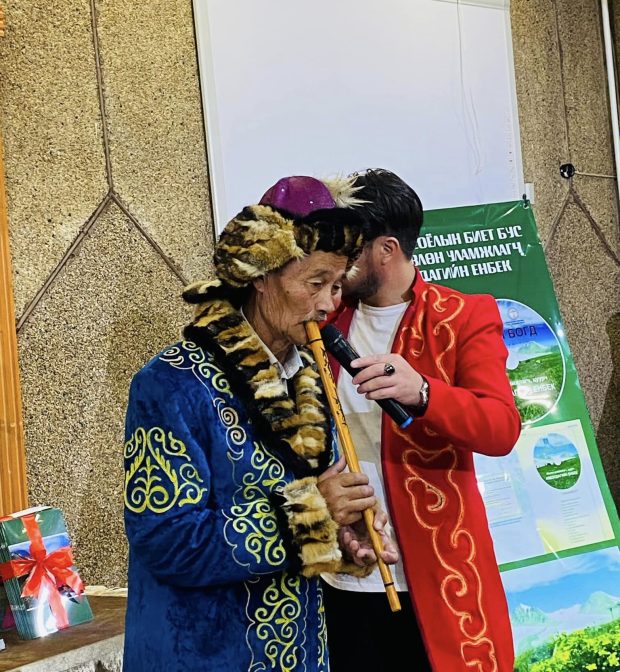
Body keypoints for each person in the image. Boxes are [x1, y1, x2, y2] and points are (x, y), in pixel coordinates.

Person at [122, 175, 398, 672]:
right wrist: (312, 513)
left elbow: (315, 507)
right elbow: (166, 541)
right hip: (203, 654)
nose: (328, 304)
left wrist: (343, 533)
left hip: (301, 652)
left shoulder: (311, 374)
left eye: (337, 285)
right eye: (314, 283)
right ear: (261, 275)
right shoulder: (170, 383)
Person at [322, 169, 521, 672]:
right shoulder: (324, 317)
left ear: (387, 249)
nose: (338, 260)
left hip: (436, 569)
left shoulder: (463, 315)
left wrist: (425, 393)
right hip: (341, 571)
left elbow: (501, 428)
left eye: (350, 248)